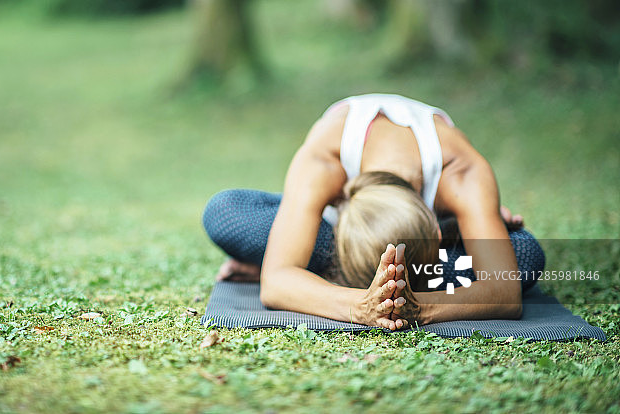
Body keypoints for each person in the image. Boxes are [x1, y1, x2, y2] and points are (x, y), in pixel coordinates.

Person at [202, 94, 545, 329]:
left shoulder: (461, 171)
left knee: (525, 253)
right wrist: (363, 306)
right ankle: (312, 248)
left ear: (437, 234)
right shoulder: (325, 158)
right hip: (336, 228)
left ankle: (315, 270)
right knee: (225, 211)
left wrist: (419, 307)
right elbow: (275, 285)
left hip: (426, 246)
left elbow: (505, 292)